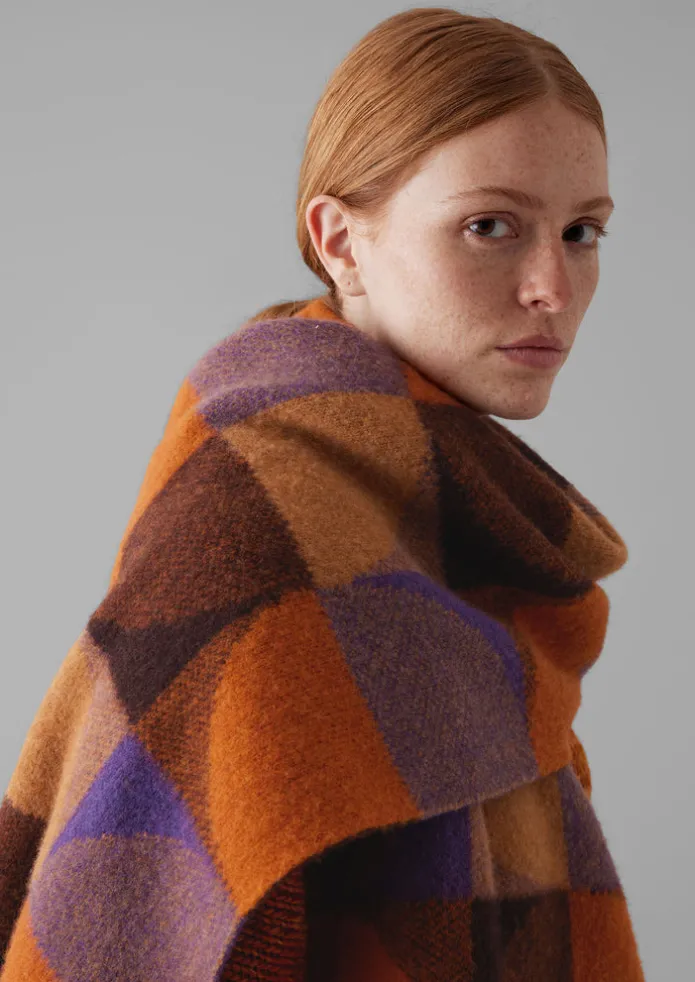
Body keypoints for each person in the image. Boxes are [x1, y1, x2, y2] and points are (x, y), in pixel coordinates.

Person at [0, 8, 644, 980]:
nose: (552, 285)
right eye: (488, 226)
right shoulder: (261, 527)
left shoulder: (447, 519)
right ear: (340, 241)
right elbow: (134, 933)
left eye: (580, 231)